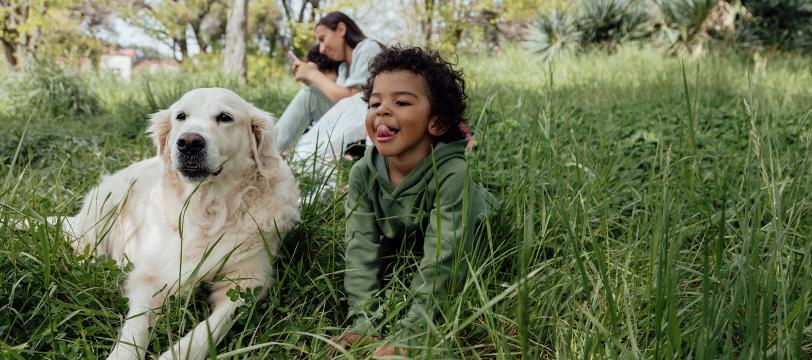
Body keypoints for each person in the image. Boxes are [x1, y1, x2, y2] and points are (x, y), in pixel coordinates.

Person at [332, 46, 499, 356]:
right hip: (408, 231)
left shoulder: (451, 173)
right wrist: (362, 321)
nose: (382, 110)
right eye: (375, 102)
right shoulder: (362, 174)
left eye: (402, 102)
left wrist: (412, 332)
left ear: (435, 123)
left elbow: (444, 258)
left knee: (461, 230)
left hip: (472, 219)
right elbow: (360, 247)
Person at [275, 11, 383, 155]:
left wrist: (314, 75)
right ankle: (276, 150)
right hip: (350, 123)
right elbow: (338, 104)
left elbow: (354, 99)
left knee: (309, 96)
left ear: (341, 29)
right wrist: (311, 80)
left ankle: (266, 150)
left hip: (369, 121)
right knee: (311, 93)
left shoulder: (368, 48)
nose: (321, 49)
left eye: (322, 39)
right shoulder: (344, 68)